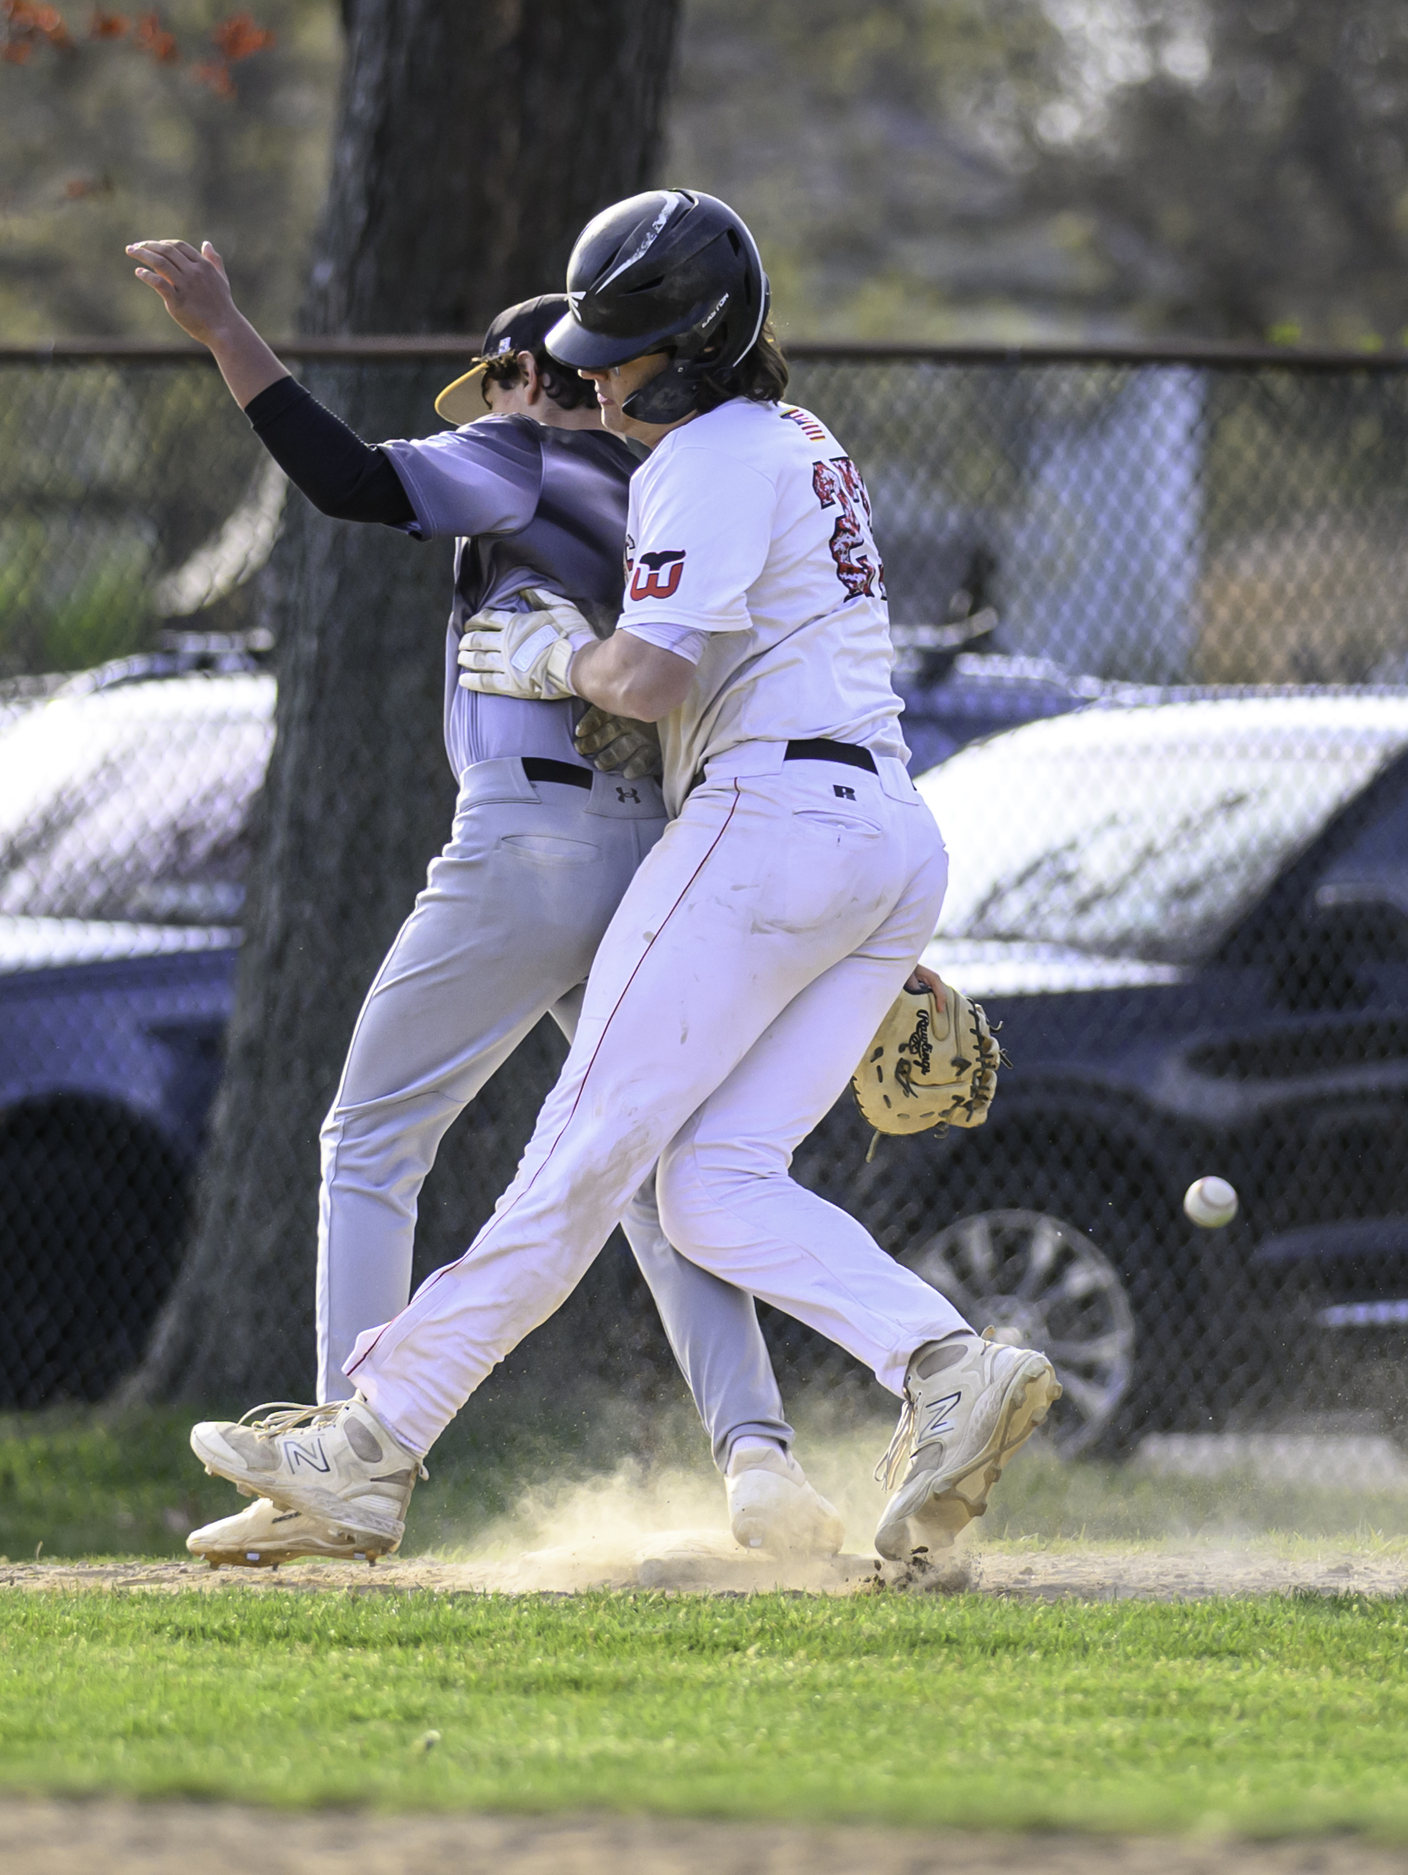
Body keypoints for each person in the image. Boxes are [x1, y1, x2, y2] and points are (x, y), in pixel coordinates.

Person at [181, 190, 1060, 1568]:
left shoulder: (704, 452)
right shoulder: (804, 440)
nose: (593, 374)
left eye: (619, 350)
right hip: (877, 836)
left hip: (767, 818)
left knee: (579, 1155)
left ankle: (369, 1442)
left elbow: (651, 677)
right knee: (710, 1186)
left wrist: (553, 658)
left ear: (697, 348)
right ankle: (944, 1364)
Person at [125, 238, 844, 1565]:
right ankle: (758, 1463)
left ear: (539, 373)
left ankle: (349, 1461)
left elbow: (345, 480)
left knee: (373, 1136)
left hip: (530, 846)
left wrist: (226, 328)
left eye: (505, 379)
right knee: (633, 1170)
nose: (492, 405)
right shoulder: (681, 490)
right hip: (664, 849)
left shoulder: (524, 456)